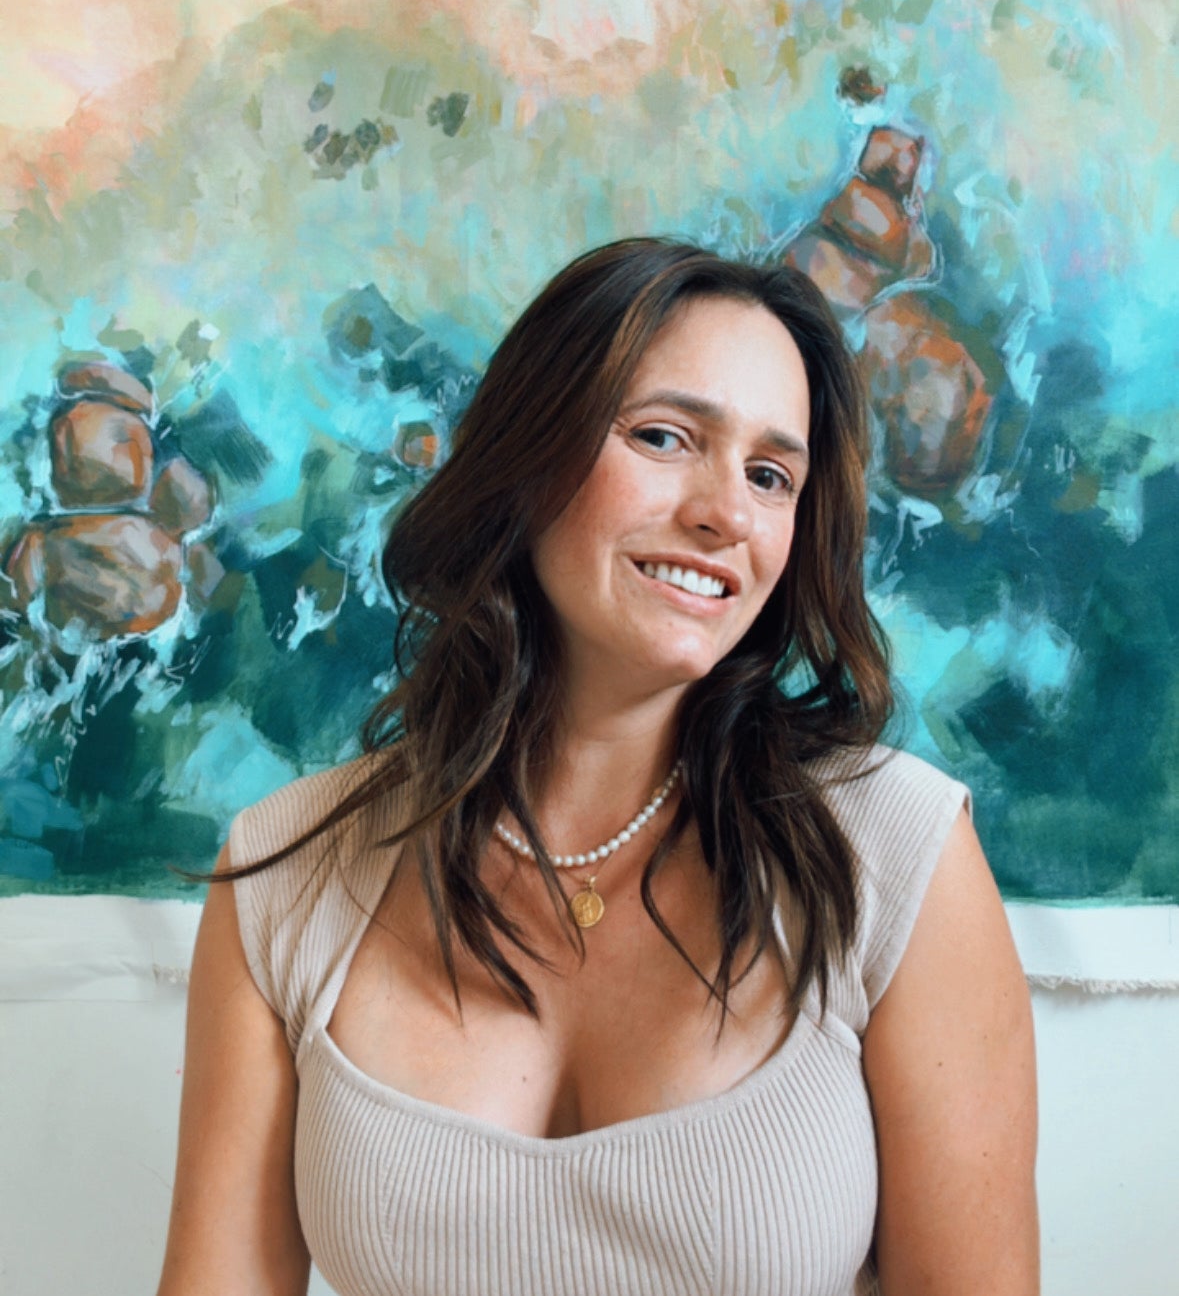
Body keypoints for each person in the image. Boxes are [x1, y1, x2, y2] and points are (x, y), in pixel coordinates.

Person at [156, 238, 1038, 1296]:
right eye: (664, 437)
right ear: (528, 456)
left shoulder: (899, 855)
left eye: (770, 475)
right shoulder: (286, 875)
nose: (726, 514)